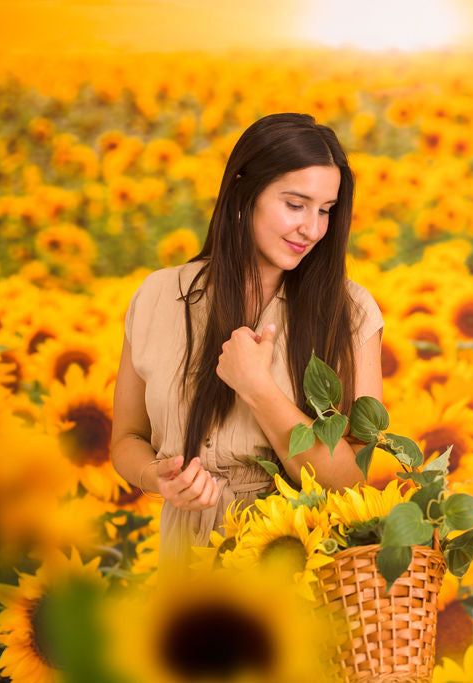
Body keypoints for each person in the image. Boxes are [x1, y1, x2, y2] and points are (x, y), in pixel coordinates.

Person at [110, 113, 384, 575]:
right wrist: (154, 477)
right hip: (185, 562)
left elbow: (352, 481)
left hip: (295, 564)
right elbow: (127, 439)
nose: (313, 229)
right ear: (243, 192)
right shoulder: (157, 296)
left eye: (325, 210)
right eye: (296, 205)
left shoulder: (350, 312)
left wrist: (258, 388)